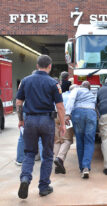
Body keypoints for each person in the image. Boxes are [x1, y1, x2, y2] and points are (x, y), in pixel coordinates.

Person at [16, 55, 66, 199]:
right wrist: (62, 124)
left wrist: (21, 120)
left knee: (29, 153)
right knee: (48, 155)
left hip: (30, 120)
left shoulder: (25, 81)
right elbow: (60, 107)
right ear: (49, 66)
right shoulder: (53, 83)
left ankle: (25, 178)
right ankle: (44, 187)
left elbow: (19, 102)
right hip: (46, 121)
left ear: (37, 66)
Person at [65, 81, 97, 178]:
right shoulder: (93, 93)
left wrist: (67, 114)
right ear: (89, 88)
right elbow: (96, 105)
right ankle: (86, 166)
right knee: (89, 141)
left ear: (81, 86)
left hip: (78, 113)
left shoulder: (76, 89)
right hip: (91, 113)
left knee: (80, 140)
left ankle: (81, 168)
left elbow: (71, 99)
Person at [53, 84, 77, 174]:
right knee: (67, 140)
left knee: (57, 141)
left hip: (55, 116)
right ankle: (60, 158)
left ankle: (58, 166)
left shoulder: (62, 94)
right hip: (65, 117)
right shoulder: (74, 96)